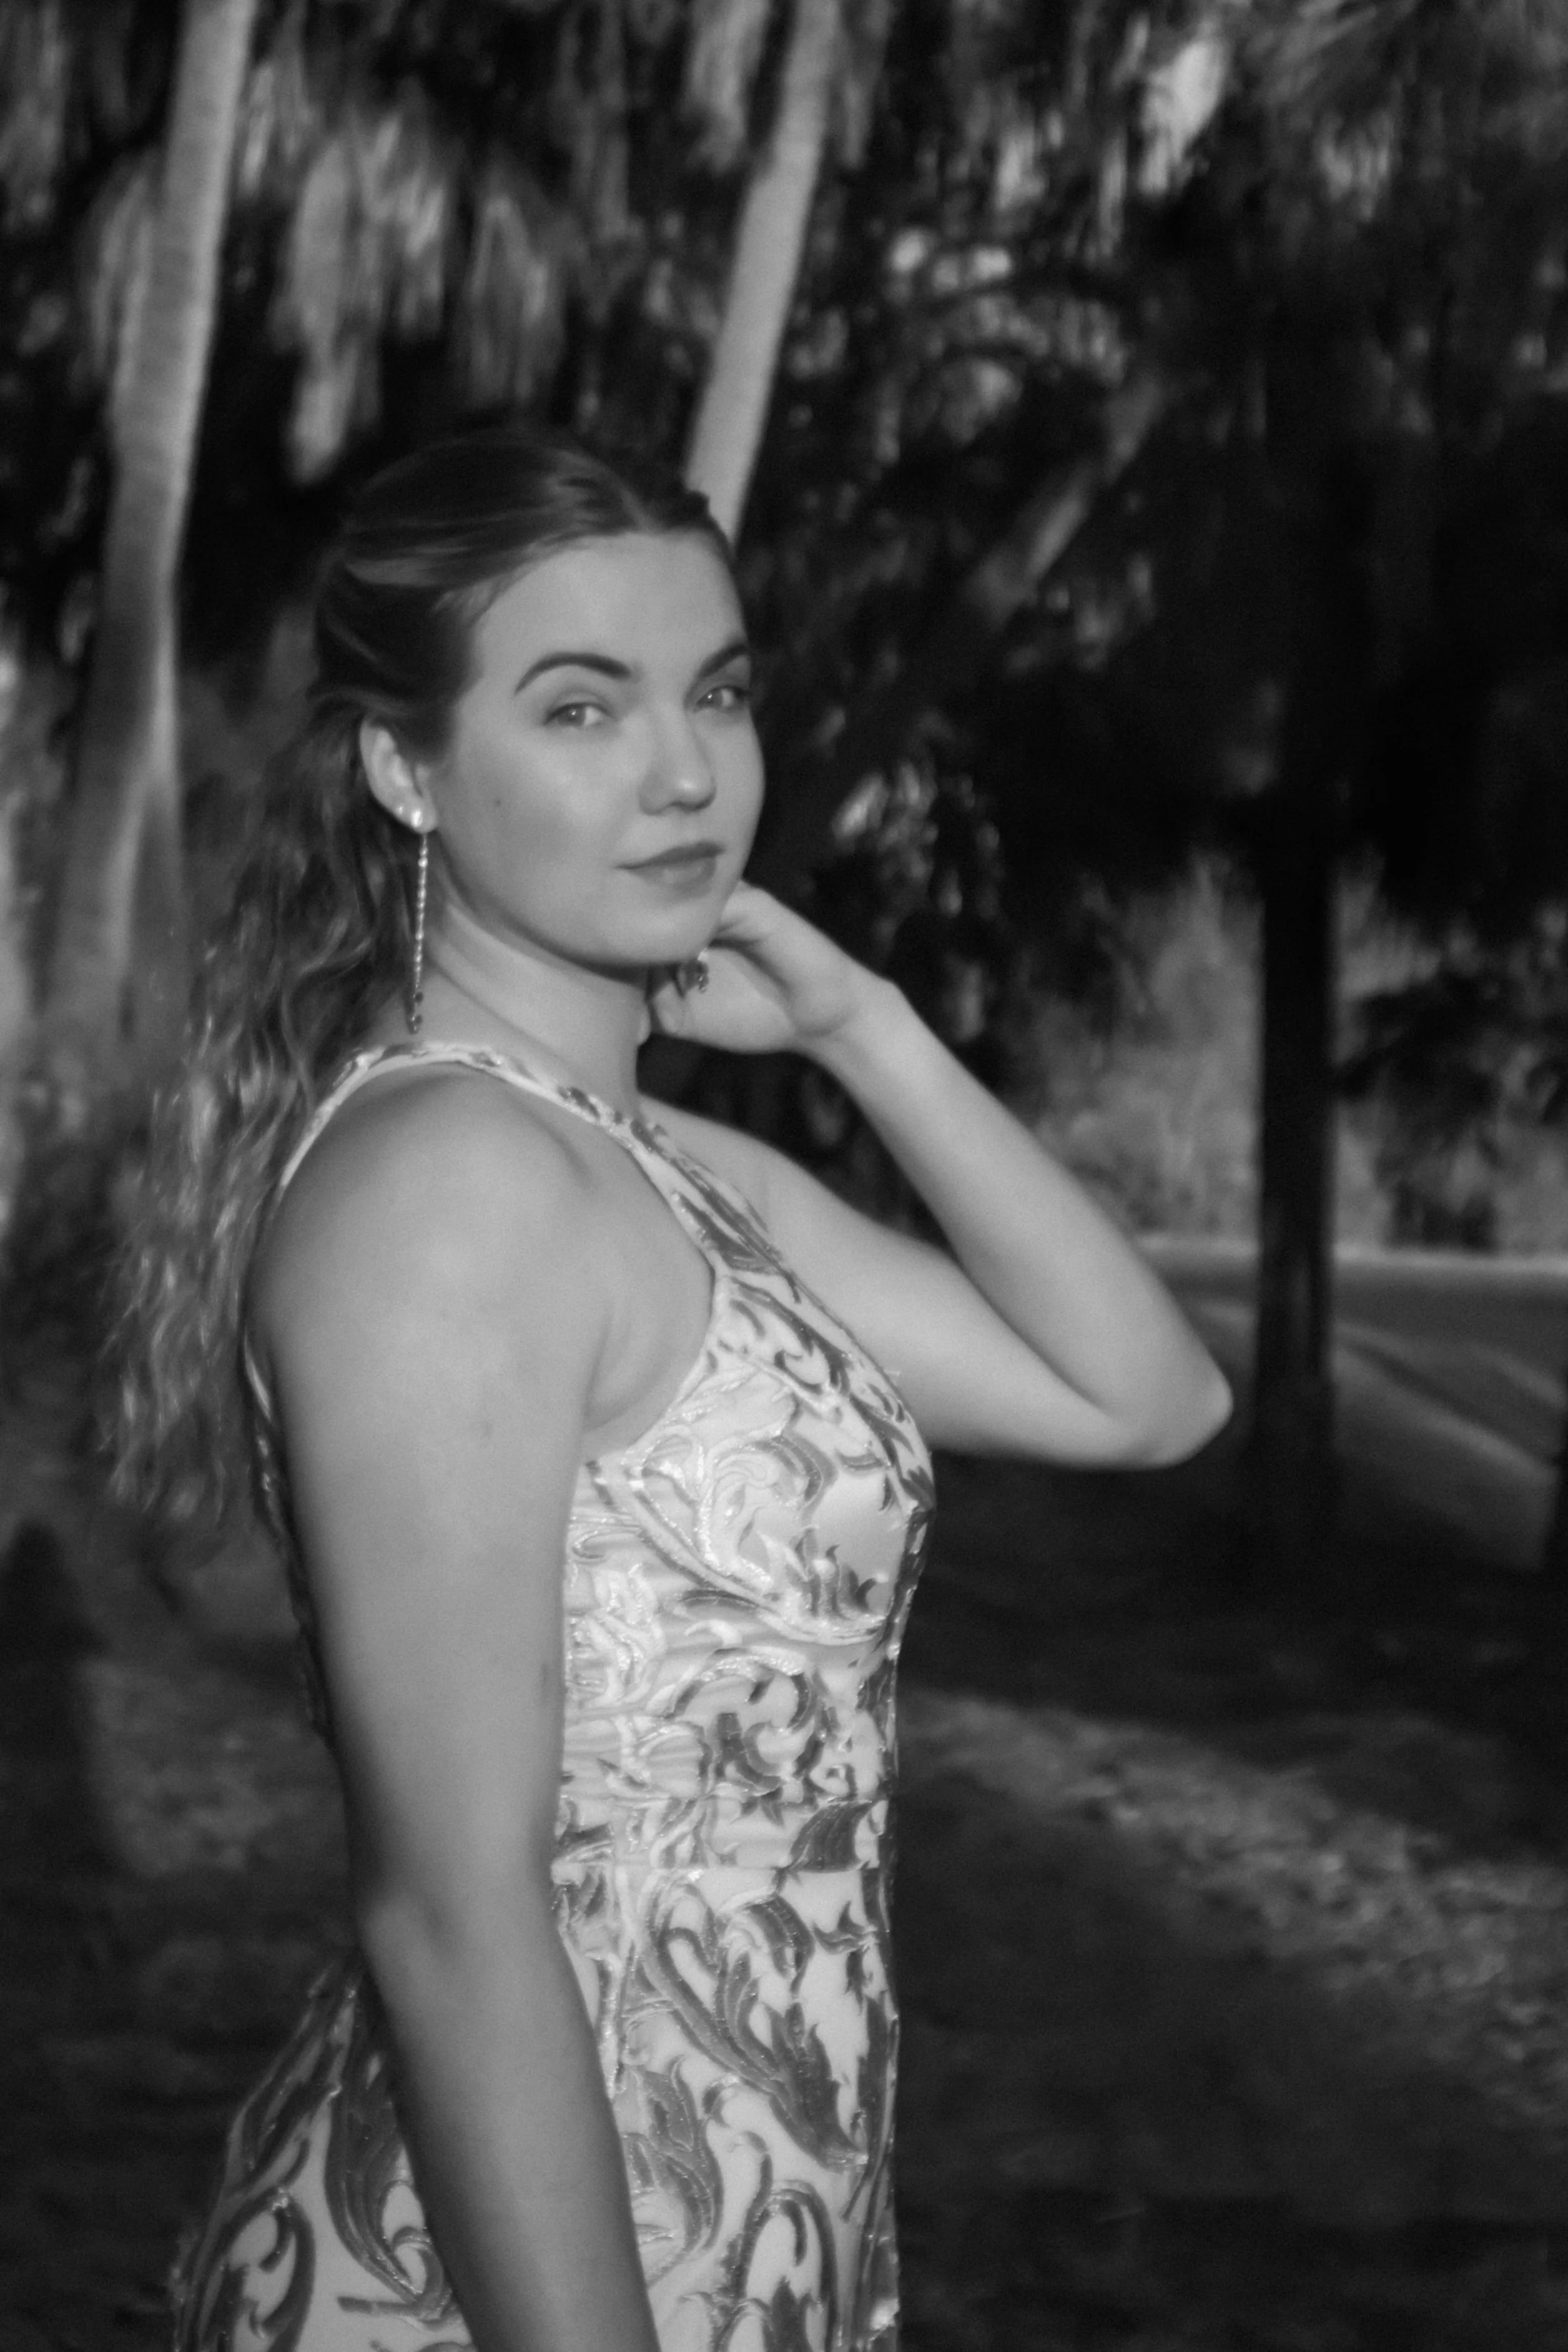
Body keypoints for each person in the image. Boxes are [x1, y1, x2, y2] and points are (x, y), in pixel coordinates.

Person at [116, 425, 1231, 2352]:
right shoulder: (448, 1192)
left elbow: (1142, 1398)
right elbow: (449, 1912)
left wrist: (862, 1029)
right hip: (510, 2278)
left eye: (714, 692)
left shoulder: (676, 1167)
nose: (685, 772)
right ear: (406, 768)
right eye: (579, 706)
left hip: (755, 2223)